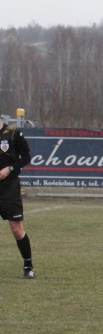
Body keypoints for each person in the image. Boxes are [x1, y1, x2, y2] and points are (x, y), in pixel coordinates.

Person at [0, 116, 34, 278]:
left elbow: (26, 157)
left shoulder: (13, 133)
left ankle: (28, 266)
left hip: (9, 188)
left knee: (16, 229)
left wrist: (10, 168)